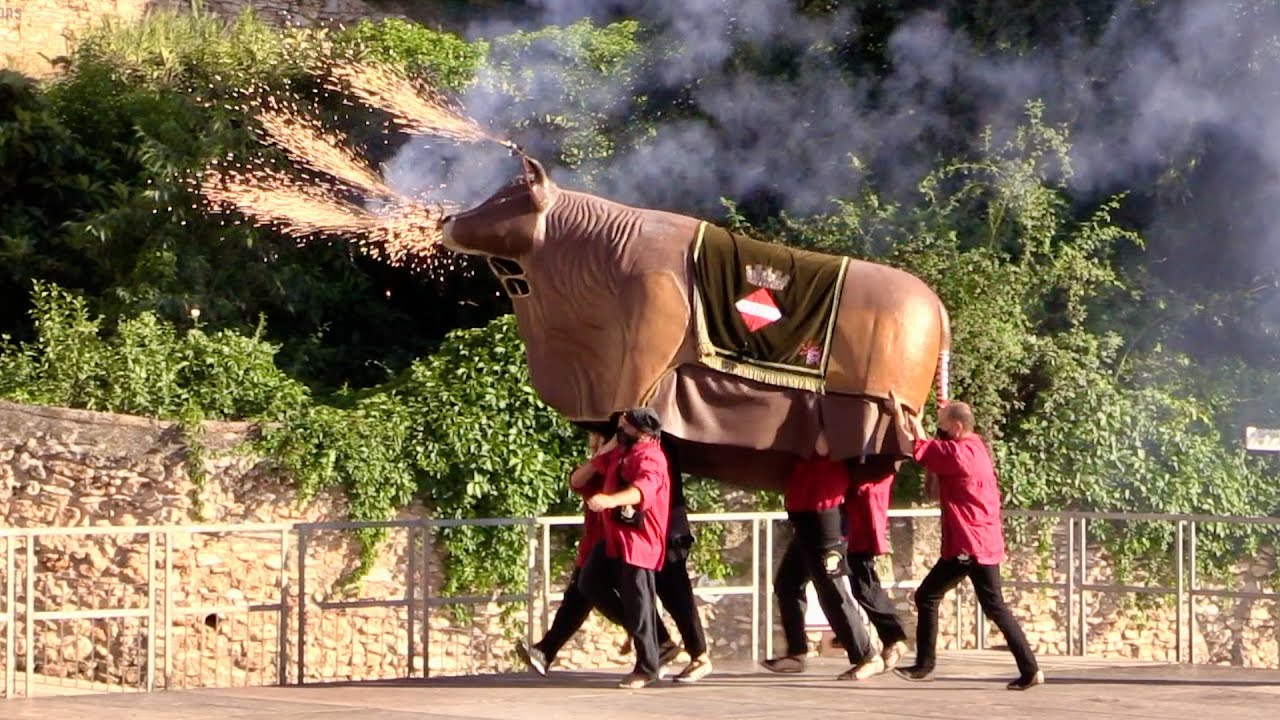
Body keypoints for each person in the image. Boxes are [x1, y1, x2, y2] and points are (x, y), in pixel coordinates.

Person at [888, 393, 1044, 691]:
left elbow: (913, 447)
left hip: (968, 544)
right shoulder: (976, 447)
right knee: (977, 603)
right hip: (981, 541)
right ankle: (1029, 669)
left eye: (944, 425)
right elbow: (929, 447)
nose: (941, 430)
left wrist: (897, 414)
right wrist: (916, 422)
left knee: (943, 599)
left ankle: (925, 665)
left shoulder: (957, 455)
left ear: (957, 426)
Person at [516, 420, 679, 675]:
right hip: (600, 544)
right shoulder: (605, 463)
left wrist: (609, 494)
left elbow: (643, 489)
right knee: (585, 593)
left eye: (596, 440)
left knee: (608, 594)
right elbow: (577, 481)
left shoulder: (635, 460)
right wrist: (601, 455)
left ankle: (656, 644)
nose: (592, 444)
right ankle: (546, 650)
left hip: (621, 543)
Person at [761, 439, 884, 681]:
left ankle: (867, 656)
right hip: (805, 517)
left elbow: (821, 445)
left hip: (825, 518)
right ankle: (796, 654)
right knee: (788, 583)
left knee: (830, 589)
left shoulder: (826, 425)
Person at [576, 408, 673, 689]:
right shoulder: (621, 450)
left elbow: (643, 491)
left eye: (625, 426)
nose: (620, 429)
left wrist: (608, 501)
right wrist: (603, 450)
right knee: (590, 582)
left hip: (638, 540)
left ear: (642, 432)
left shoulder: (650, 457)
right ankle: (640, 633)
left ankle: (648, 667)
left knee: (639, 601)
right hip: (613, 536)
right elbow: (578, 479)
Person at [844, 457, 910, 670]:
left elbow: (867, 490)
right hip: (856, 527)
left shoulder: (874, 464)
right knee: (862, 585)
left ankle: (893, 639)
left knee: (864, 586)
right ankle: (891, 638)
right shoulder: (873, 460)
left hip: (859, 528)